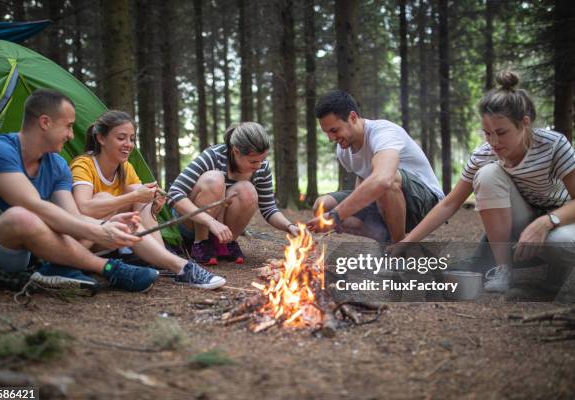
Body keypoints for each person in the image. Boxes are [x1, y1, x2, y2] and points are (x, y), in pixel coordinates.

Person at [392, 71, 575, 293]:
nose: (494, 142)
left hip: (561, 220)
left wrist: (546, 222)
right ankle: (503, 270)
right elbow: (450, 204)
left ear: (524, 123)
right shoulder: (484, 154)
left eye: (501, 132)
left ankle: (556, 270)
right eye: (487, 133)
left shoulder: (553, 145)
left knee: (559, 244)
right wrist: (406, 242)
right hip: (520, 221)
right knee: (487, 174)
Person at [0, 89, 159, 293]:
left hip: (44, 250)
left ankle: (55, 270)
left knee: (76, 221)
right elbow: (33, 205)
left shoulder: (58, 164)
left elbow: (72, 215)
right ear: (45, 122)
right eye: (68, 126)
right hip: (6, 247)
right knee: (21, 216)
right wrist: (98, 230)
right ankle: (110, 269)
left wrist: (105, 224)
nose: (71, 135)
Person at [69, 110, 225, 290]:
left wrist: (153, 202)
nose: (128, 144)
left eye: (132, 139)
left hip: (111, 237)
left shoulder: (124, 167)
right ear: (101, 139)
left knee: (141, 192)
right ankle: (180, 266)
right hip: (84, 240)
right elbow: (84, 208)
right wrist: (134, 196)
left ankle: (160, 260)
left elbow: (138, 197)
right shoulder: (84, 164)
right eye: (121, 138)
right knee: (109, 198)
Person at [306, 90, 444, 244]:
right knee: (322, 205)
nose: (331, 138)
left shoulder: (384, 132)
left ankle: (399, 249)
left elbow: (383, 180)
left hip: (424, 205)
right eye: (327, 133)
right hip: (384, 204)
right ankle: (385, 239)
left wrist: (336, 216)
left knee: (386, 181)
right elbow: (362, 182)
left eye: (334, 130)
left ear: (352, 117)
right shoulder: (343, 150)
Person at [167, 122, 299, 265]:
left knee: (248, 190)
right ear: (235, 151)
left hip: (219, 228)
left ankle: (224, 243)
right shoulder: (213, 156)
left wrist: (289, 226)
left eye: (262, 160)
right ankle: (200, 243)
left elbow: (269, 208)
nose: (259, 166)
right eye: (253, 161)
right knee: (214, 179)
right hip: (189, 224)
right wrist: (209, 221)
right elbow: (174, 193)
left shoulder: (261, 168)